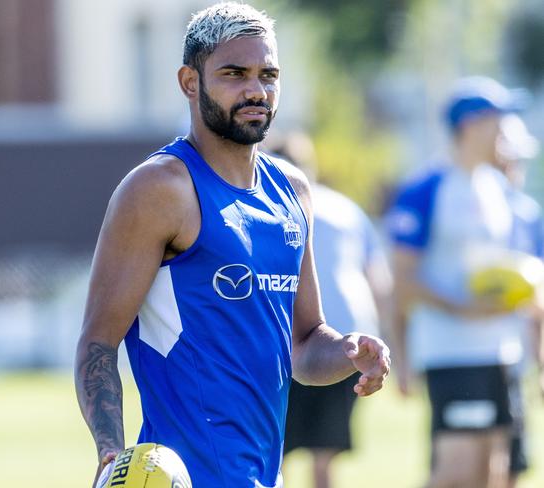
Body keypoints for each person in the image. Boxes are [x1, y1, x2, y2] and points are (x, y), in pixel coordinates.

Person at [74, 3, 391, 488]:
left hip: (266, 476)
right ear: (189, 82)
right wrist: (113, 457)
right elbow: (98, 344)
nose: (256, 90)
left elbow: (304, 346)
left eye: (269, 74)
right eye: (234, 73)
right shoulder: (159, 189)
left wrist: (349, 351)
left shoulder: (292, 191)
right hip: (181, 479)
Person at [385, 75, 541, 488]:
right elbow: (402, 280)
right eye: (499, 119)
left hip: (502, 353)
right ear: (471, 125)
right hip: (452, 355)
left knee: (496, 471)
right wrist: (463, 309)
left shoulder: (498, 189)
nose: (507, 130)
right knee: (457, 474)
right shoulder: (427, 188)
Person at [268, 132, 393, 488]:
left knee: (278, 454)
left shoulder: (264, 208)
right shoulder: (347, 208)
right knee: (324, 458)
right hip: (347, 344)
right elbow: (378, 280)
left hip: (290, 343)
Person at [491, 113, 543, 488]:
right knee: (465, 464)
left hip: (517, 353)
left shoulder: (528, 214)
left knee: (512, 463)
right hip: (473, 352)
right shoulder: (465, 204)